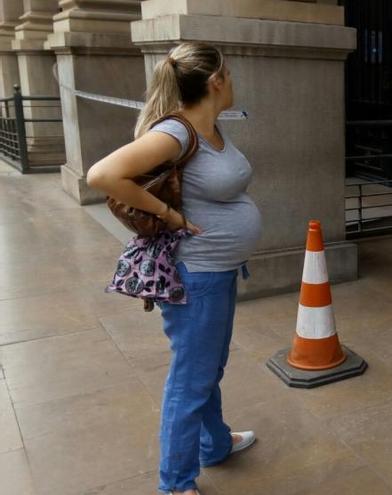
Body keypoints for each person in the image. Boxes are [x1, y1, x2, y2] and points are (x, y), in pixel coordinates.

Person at [87, 42, 261, 495]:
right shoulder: (177, 133)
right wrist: (170, 216)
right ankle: (175, 485)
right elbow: (103, 175)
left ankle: (215, 444)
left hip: (218, 271)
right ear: (215, 81)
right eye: (230, 72)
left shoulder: (211, 129)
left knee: (207, 368)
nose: (234, 80)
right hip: (196, 277)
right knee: (191, 379)